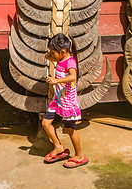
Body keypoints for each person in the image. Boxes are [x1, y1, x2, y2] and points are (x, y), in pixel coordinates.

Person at [42, 33, 88, 168]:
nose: (51, 54)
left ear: (63, 51)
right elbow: (47, 57)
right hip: (58, 100)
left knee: (70, 129)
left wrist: (56, 80)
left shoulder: (70, 61)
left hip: (68, 101)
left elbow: (73, 77)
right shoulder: (60, 59)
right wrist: (51, 53)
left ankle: (79, 155)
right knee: (46, 123)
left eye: (53, 51)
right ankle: (58, 147)